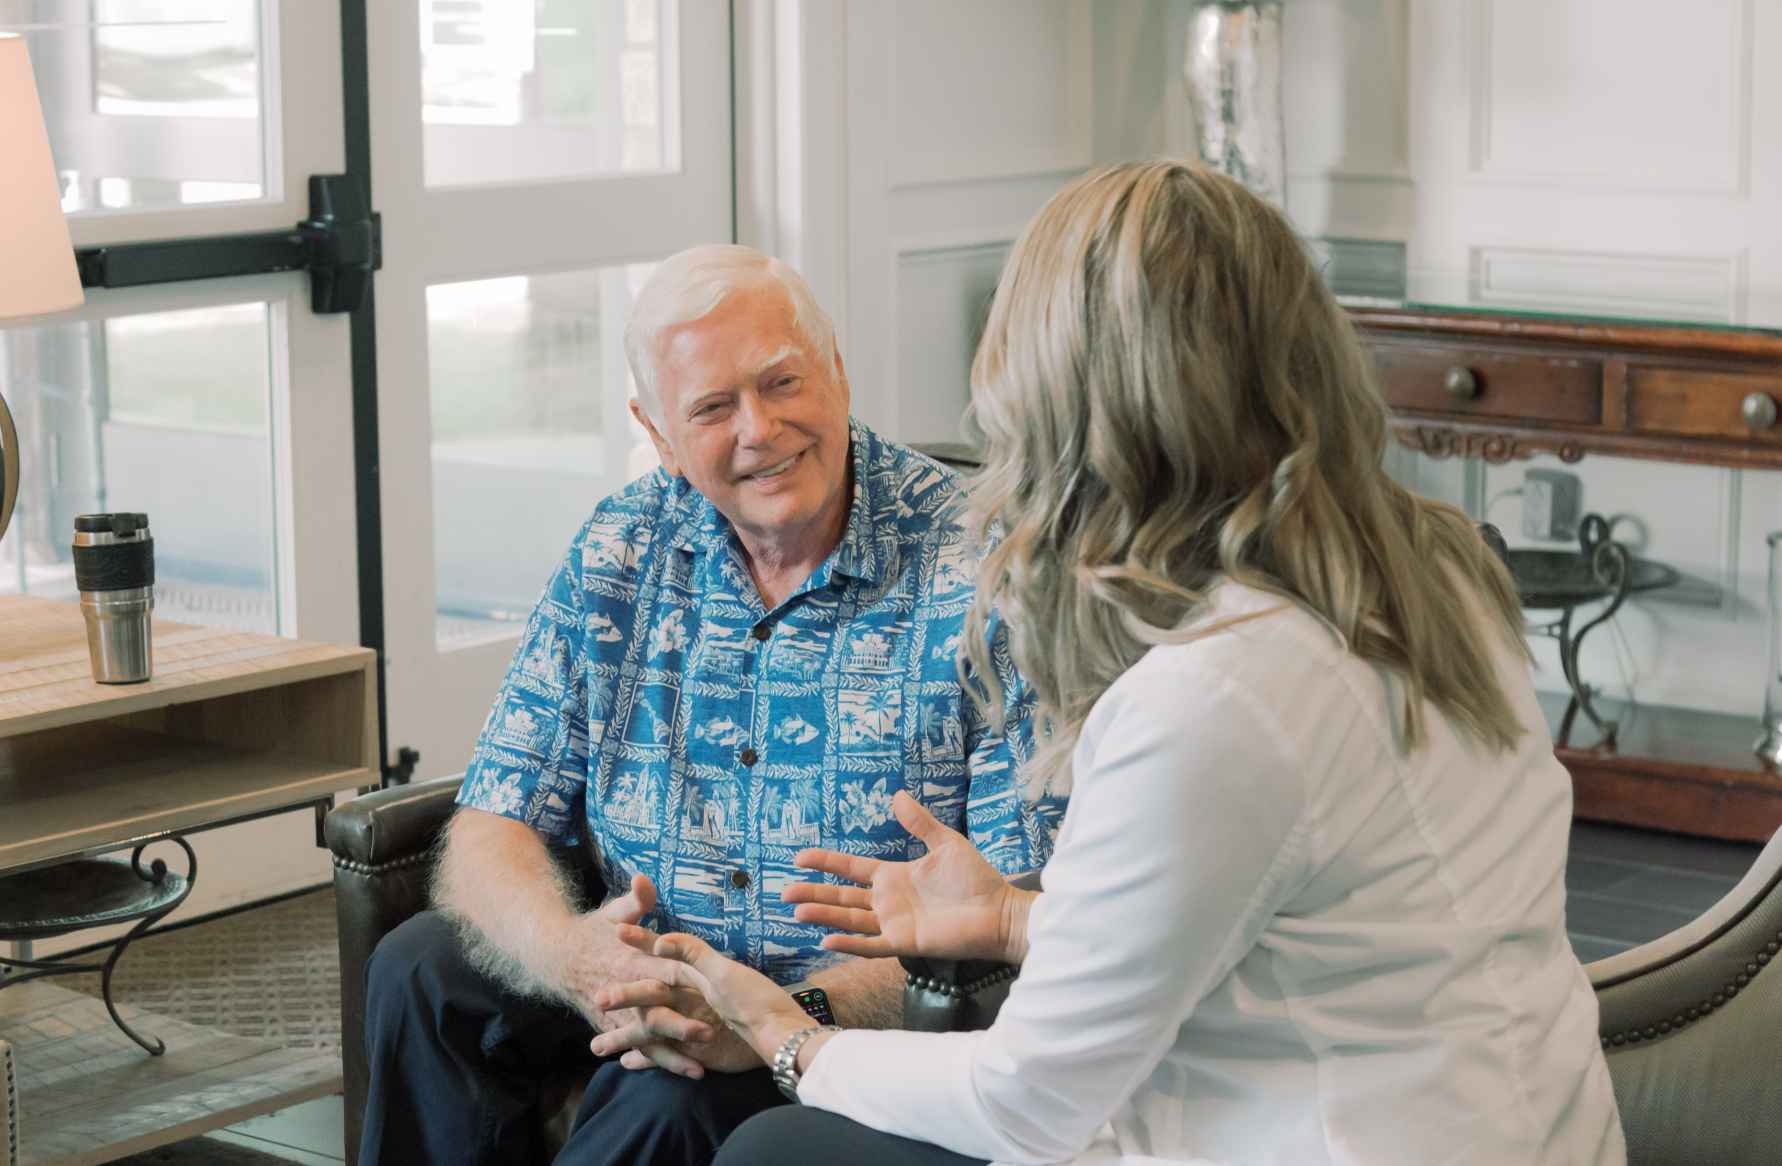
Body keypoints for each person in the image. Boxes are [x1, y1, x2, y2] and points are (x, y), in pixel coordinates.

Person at [599, 162, 1628, 1166]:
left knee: (782, 1147)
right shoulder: (1430, 566)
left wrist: (792, 1037)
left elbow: (1027, 1101)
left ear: (1076, 410)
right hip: (1525, 1121)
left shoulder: (1214, 694)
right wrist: (1009, 915)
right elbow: (1318, 931)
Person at [357, 244, 1063, 1166]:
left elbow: (1014, 916)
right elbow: (496, 821)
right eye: (713, 408)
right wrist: (577, 957)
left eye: (781, 382)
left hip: (827, 1008)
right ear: (657, 432)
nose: (759, 430)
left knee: (668, 1097)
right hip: (638, 963)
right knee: (420, 971)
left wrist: (770, 1015)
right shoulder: (622, 544)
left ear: (838, 372)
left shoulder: (983, 571)